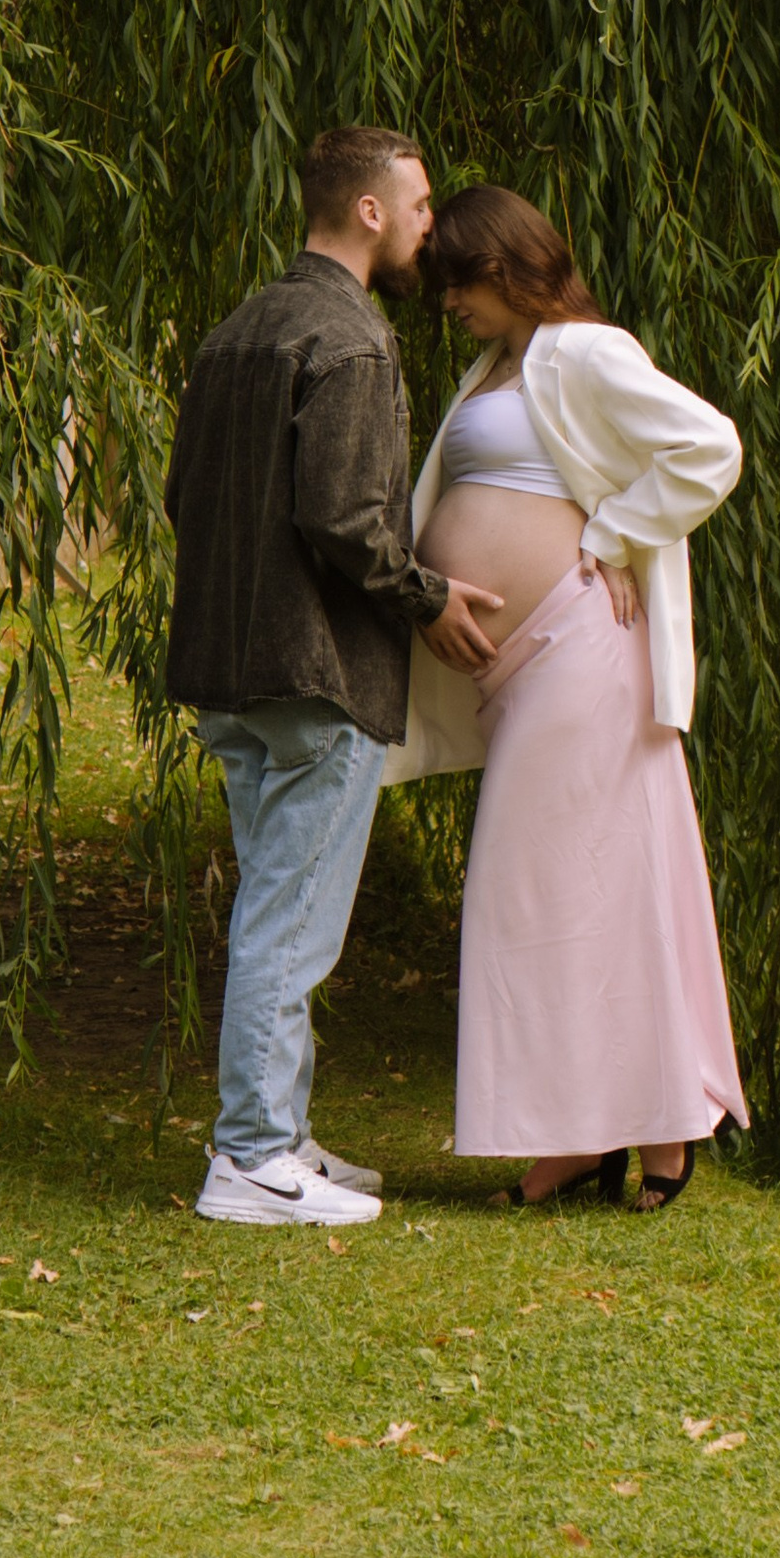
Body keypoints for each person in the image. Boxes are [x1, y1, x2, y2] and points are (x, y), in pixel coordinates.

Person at [383, 185, 746, 1210]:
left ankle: (643, 1129)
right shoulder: (495, 365)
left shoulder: (584, 350)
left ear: (498, 269)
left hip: (584, 647)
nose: (442, 300)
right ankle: (602, 1136)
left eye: (453, 280)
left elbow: (709, 446)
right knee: (575, 890)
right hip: (520, 667)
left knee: (539, 888)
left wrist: (610, 535)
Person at [164, 127, 501, 1227]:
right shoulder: (350, 342)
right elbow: (348, 520)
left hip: (231, 671)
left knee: (275, 903)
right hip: (315, 675)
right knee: (294, 920)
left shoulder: (237, 331)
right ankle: (253, 1157)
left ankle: (284, 1140)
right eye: (416, 206)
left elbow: (185, 499)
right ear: (366, 212)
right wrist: (430, 600)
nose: (427, 227)